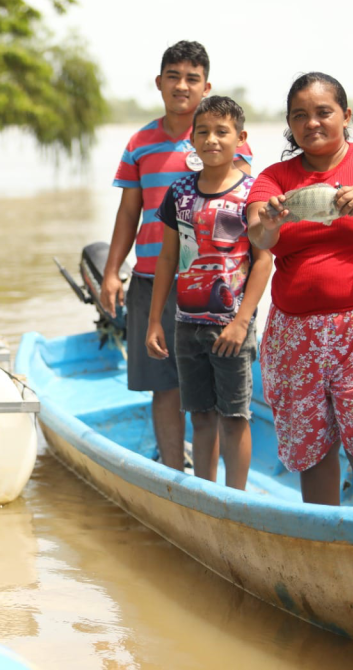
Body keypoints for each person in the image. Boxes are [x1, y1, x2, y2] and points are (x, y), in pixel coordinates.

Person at [245, 72, 353, 509]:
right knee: (313, 452)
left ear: (346, 115)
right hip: (295, 335)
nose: (312, 123)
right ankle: (325, 545)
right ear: (289, 123)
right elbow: (258, 239)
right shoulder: (273, 179)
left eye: (324, 112)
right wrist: (268, 222)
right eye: (300, 116)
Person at [100, 41, 253, 471]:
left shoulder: (223, 137)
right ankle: (173, 472)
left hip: (213, 286)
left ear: (206, 86)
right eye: (174, 77)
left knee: (221, 391)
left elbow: (247, 204)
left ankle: (222, 483)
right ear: (159, 83)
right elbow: (129, 210)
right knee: (164, 385)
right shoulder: (140, 142)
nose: (182, 86)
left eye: (192, 78)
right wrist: (113, 272)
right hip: (152, 277)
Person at [145, 96, 271, 489]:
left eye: (222, 132)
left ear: (241, 138)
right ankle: (205, 494)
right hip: (187, 325)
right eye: (203, 132)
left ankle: (236, 500)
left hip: (231, 327)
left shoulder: (253, 193)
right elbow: (167, 259)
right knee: (200, 417)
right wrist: (154, 321)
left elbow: (263, 261)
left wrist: (241, 322)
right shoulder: (179, 191)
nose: (212, 140)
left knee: (234, 417)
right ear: (191, 140)